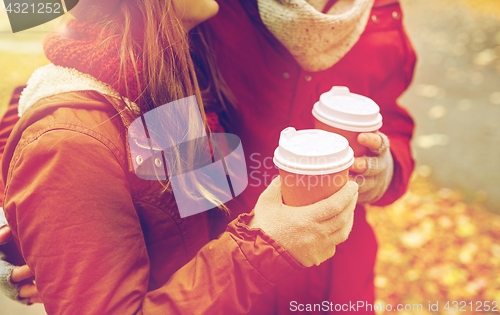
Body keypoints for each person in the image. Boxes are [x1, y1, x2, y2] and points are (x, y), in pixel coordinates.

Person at [0, 0, 358, 314]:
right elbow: (48, 115)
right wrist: (16, 232)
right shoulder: (78, 129)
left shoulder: (164, 84)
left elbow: (197, 219)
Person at [201, 0, 416, 313]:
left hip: (339, 279)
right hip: (235, 267)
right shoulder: (210, 11)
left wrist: (387, 168)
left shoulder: (381, 16)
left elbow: (392, 123)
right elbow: (179, 116)